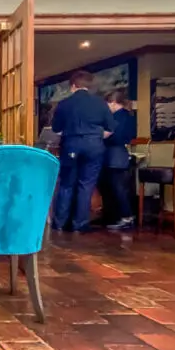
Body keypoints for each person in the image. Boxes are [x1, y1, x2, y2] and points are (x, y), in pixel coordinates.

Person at [50, 71, 115, 233]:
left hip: (71, 144)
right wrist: (95, 137)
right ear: (89, 86)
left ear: (73, 86)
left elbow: (56, 129)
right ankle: (80, 224)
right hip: (94, 146)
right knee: (86, 185)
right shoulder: (100, 103)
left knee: (66, 184)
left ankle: (60, 223)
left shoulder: (64, 104)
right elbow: (110, 129)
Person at [102, 90, 137, 230]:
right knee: (119, 187)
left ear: (113, 103)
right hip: (121, 154)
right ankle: (124, 216)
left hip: (114, 155)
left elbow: (114, 137)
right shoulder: (128, 116)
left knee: (117, 188)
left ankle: (126, 217)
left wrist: (102, 135)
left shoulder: (116, 117)